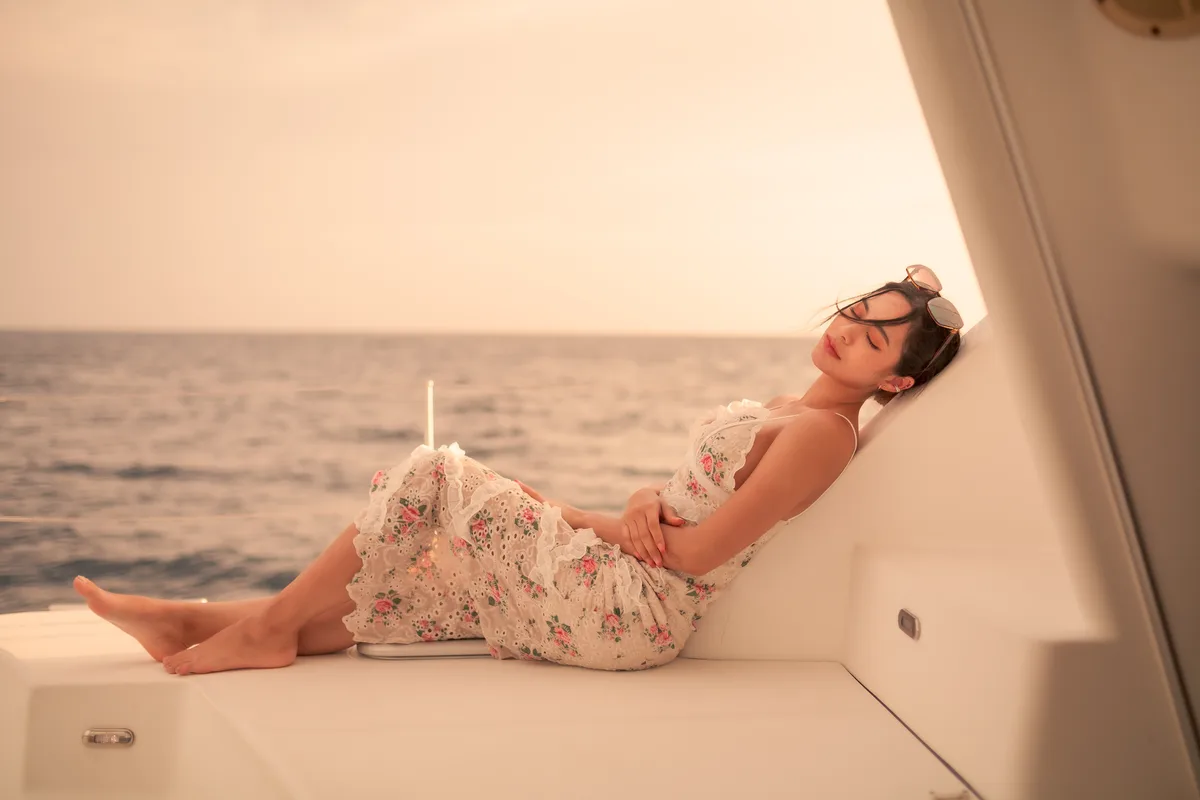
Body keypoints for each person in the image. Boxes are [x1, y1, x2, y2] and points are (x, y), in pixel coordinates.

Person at [72, 265, 963, 674]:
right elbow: (683, 512)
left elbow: (695, 556)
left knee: (435, 475)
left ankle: (258, 633)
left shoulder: (824, 435)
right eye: (857, 312)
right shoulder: (792, 407)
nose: (846, 331)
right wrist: (626, 501)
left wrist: (611, 519)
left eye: (873, 340)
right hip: (622, 579)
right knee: (418, 584)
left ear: (894, 380)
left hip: (637, 609)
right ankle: (189, 621)